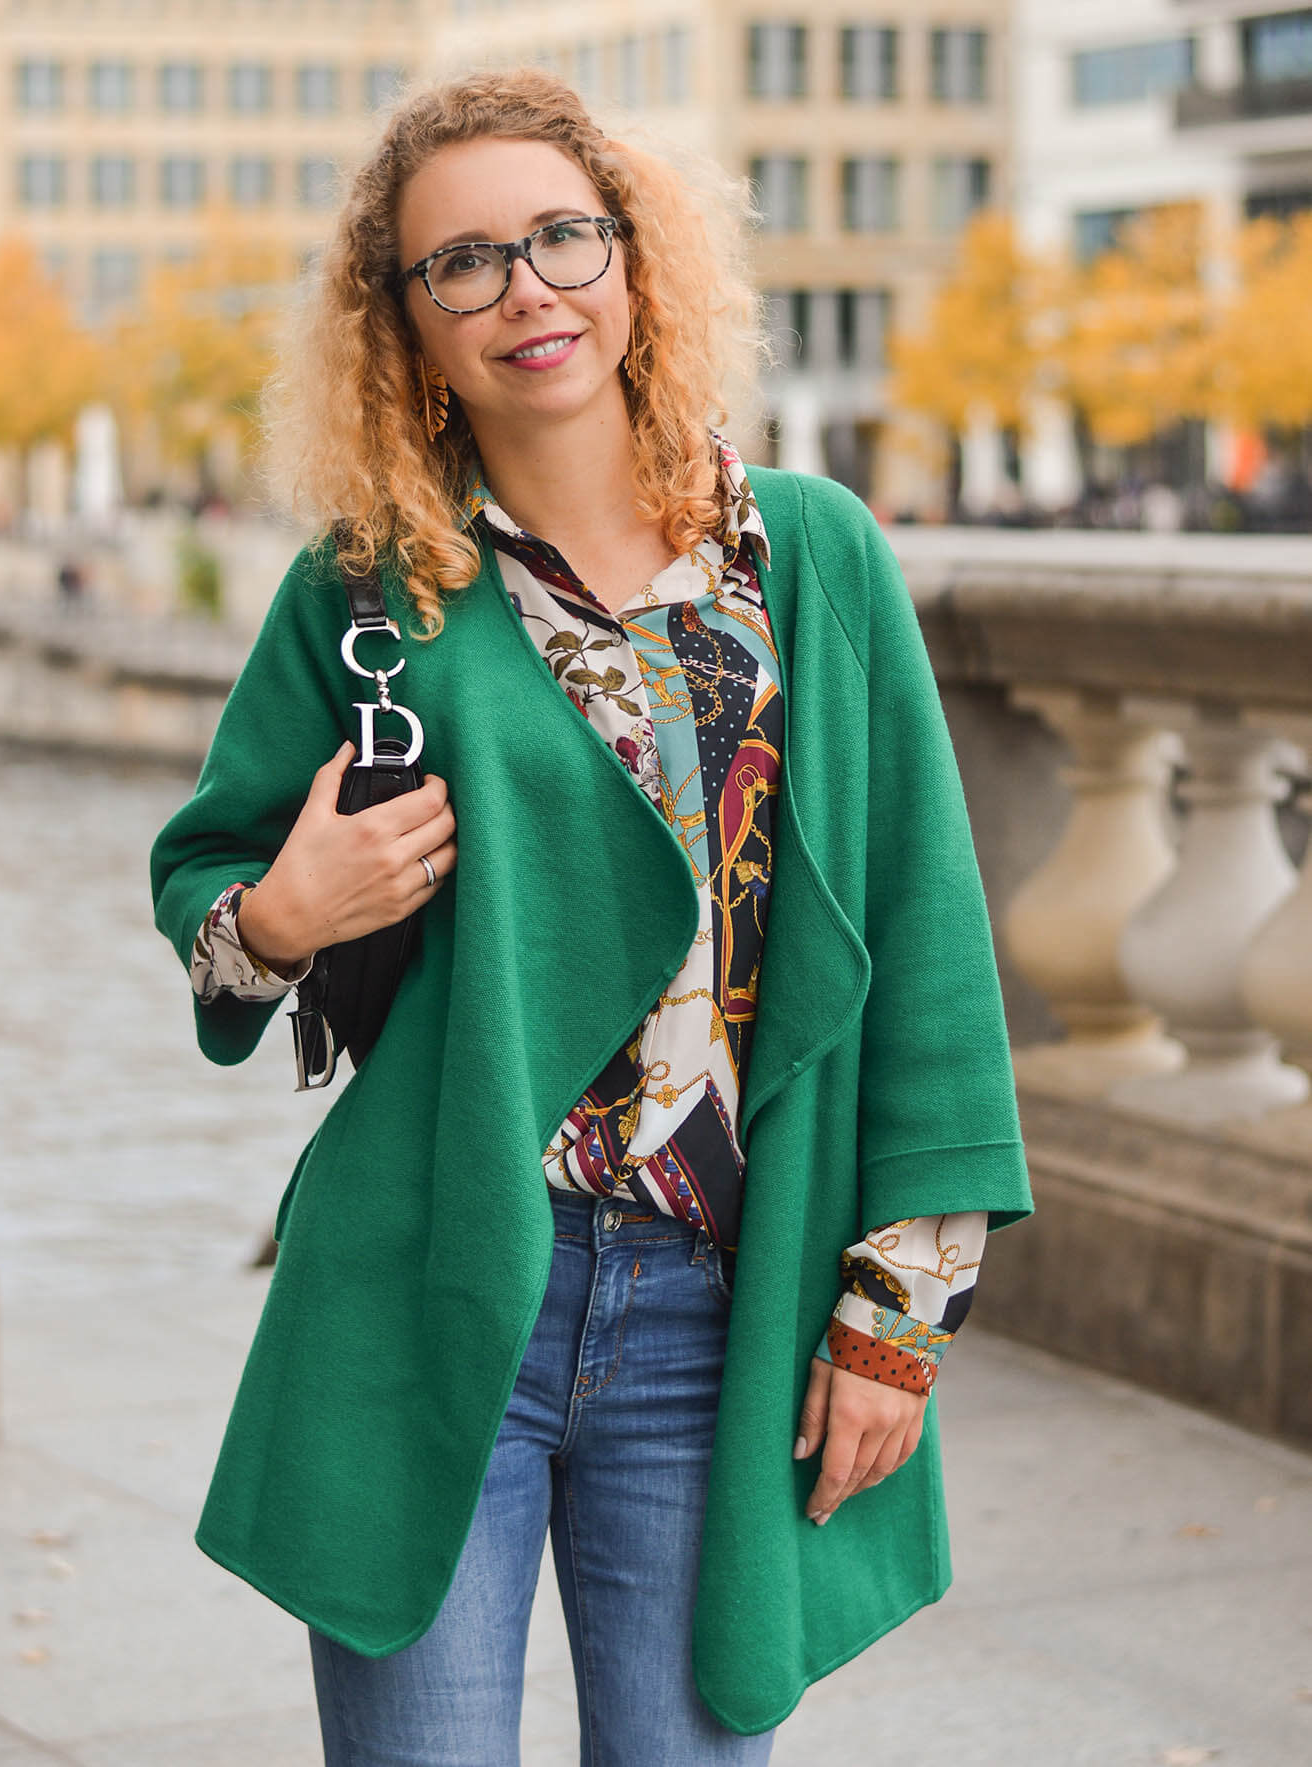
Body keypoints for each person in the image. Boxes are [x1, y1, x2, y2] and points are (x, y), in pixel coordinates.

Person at [150, 68, 1032, 1767]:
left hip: (726, 1309)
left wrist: (899, 1322)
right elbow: (212, 894)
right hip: (434, 1278)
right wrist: (280, 908)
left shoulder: (811, 559)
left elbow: (928, 937)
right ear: (403, 326)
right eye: (461, 264)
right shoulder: (363, 595)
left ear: (634, 261)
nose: (526, 292)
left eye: (562, 238)